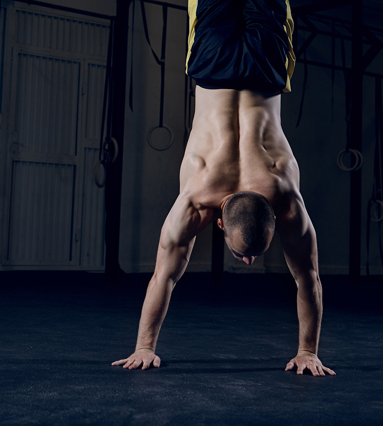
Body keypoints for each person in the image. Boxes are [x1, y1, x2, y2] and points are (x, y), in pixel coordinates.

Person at [111, 0, 335, 376]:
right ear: (218, 223)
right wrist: (143, 347)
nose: (247, 260)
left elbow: (308, 278)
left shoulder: (283, 193)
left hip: (266, 66)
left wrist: (308, 351)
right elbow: (163, 277)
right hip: (212, 65)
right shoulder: (196, 199)